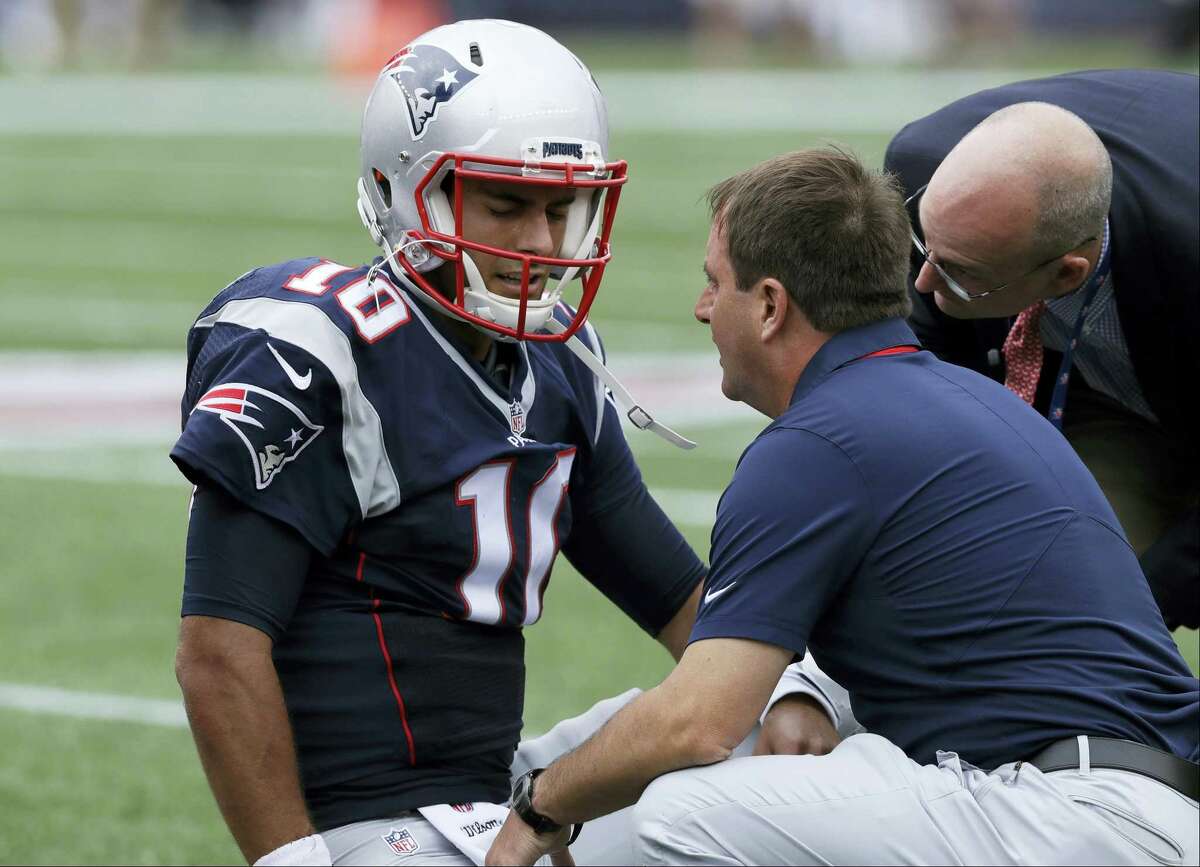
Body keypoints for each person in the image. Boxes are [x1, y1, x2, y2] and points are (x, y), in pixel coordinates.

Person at [169, 19, 826, 867]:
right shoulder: (321, 355)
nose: (544, 244)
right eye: (508, 204)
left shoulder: (556, 365)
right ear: (403, 188)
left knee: (790, 757)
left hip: (498, 796)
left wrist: (800, 699)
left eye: (563, 207)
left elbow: (679, 599)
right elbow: (217, 653)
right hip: (365, 822)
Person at [485, 147, 1200, 866]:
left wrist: (542, 803)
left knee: (679, 814)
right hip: (1123, 805)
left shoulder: (816, 442)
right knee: (698, 748)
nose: (703, 307)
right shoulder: (970, 400)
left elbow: (697, 720)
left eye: (715, 283)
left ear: (769, 306)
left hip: (1077, 817)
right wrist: (810, 695)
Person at [883, 70, 1200, 631]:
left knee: (1116, 613)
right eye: (925, 249)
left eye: (961, 274)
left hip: (1170, 326)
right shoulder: (925, 167)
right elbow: (929, 382)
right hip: (1104, 365)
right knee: (1044, 589)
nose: (926, 284)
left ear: (1066, 273)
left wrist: (1136, 617)